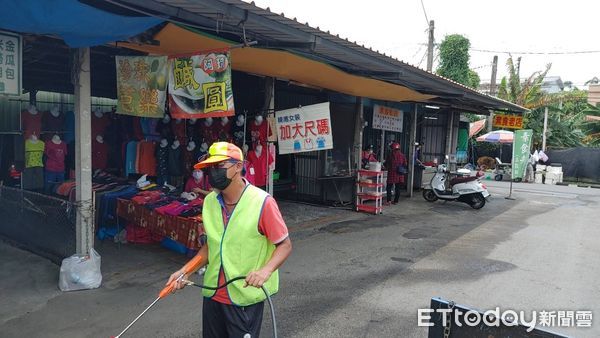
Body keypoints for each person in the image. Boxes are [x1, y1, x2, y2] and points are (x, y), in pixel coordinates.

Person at [167, 142, 292, 338]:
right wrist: (185, 271)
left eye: (219, 167)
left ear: (238, 166)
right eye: (210, 168)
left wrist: (265, 272)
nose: (213, 173)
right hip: (213, 295)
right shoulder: (209, 202)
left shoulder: (262, 202)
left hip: (244, 296)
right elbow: (211, 247)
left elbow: (284, 245)